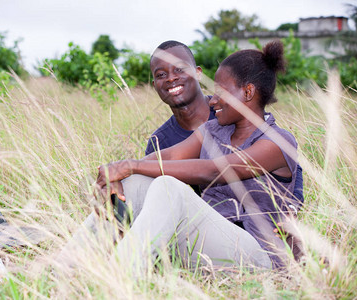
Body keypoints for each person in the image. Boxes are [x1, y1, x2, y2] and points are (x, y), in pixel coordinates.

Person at [96, 40, 299, 271]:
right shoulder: (213, 130)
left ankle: (117, 278)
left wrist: (131, 165)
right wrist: (117, 172)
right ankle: (66, 269)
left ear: (248, 92)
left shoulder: (277, 141)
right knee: (133, 183)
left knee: (168, 186)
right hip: (207, 244)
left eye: (220, 92)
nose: (212, 100)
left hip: (256, 254)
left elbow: (213, 170)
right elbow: (170, 156)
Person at [143, 40, 304, 206]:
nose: (171, 78)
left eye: (180, 69)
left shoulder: (234, 115)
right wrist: (120, 172)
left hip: (240, 220)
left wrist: (293, 204)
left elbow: (288, 163)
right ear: (154, 85)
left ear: (198, 73)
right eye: (161, 75)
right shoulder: (162, 140)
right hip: (206, 215)